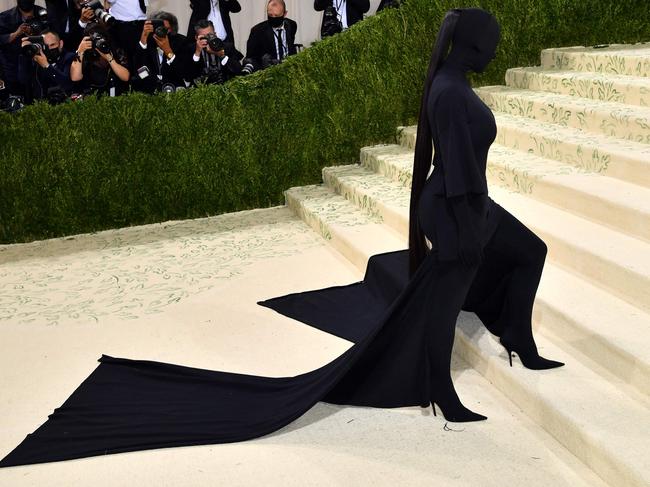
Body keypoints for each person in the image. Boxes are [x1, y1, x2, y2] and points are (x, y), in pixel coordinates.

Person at [0, 8, 565, 469]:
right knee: (439, 304)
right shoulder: (448, 91)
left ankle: (517, 336)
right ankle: (440, 386)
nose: (496, 46)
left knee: (524, 255)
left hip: (467, 203)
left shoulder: (451, 83)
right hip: (460, 208)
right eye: (490, 39)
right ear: (472, 46)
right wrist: (466, 232)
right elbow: (460, 168)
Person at [0, 0, 48, 97]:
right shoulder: (4, 17)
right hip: (13, 69)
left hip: (40, 65)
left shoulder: (43, 13)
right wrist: (17, 33)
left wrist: (35, 32)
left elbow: (52, 35)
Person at [132, 11, 188, 93]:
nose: (161, 31)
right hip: (149, 91)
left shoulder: (181, 42)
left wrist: (168, 51)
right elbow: (137, 68)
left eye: (166, 29)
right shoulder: (146, 41)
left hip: (174, 89)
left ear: (172, 29)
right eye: (159, 28)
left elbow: (183, 72)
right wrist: (144, 39)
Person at [70, 21, 129, 96]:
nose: (98, 42)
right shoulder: (84, 54)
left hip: (117, 95)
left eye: (100, 38)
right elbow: (75, 77)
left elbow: (125, 77)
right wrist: (80, 52)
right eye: (95, 40)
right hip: (94, 98)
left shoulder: (115, 50)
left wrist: (109, 58)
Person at [18, 28, 74, 103]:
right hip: (42, 106)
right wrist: (25, 54)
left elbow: (67, 84)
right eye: (46, 46)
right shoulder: (37, 60)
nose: (49, 49)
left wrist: (46, 66)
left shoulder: (70, 57)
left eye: (53, 45)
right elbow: (23, 80)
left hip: (65, 104)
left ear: (61, 44)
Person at [187, 18, 242, 86]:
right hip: (201, 90)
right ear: (196, 38)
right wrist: (197, 53)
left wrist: (221, 55)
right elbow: (188, 77)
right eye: (204, 37)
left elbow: (238, 70)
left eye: (210, 35)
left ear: (215, 34)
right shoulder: (191, 49)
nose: (208, 39)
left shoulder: (227, 47)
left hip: (225, 88)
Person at [246, 0, 297, 70]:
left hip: (289, 69)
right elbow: (250, 59)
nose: (273, 18)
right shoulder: (257, 31)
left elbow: (291, 46)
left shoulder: (292, 25)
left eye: (277, 15)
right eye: (270, 15)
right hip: (268, 73)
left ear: (285, 14)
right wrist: (264, 63)